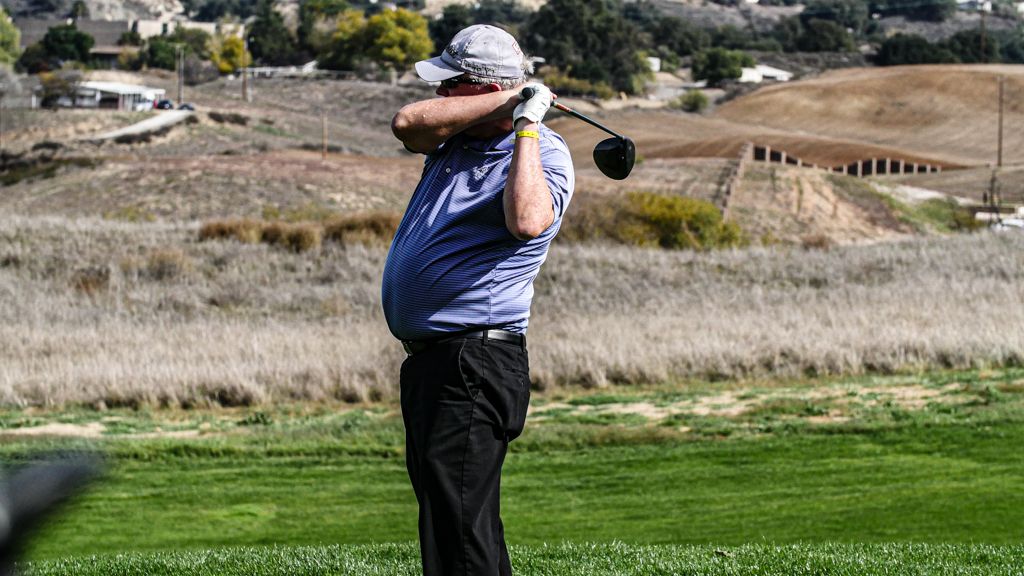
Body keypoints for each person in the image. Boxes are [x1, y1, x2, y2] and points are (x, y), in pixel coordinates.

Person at [382, 24, 575, 576]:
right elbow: (406, 123)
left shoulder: (544, 152)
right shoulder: (454, 141)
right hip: (437, 362)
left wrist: (527, 126)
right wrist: (509, 100)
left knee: (461, 531)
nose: (440, 94)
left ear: (483, 88)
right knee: (455, 526)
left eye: (451, 84)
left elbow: (528, 220)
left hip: (475, 360)